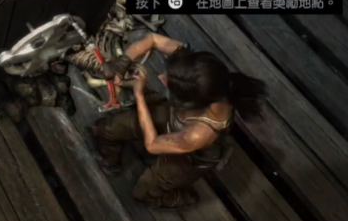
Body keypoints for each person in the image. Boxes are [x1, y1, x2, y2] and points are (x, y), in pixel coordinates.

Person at [90, 32, 266, 210]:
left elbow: (153, 145)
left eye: (169, 82)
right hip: (175, 117)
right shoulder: (198, 72)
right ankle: (110, 158)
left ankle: (181, 197)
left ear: (194, 103)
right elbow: (153, 39)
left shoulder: (201, 132)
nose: (162, 77)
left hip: (191, 155)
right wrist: (122, 63)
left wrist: (139, 95)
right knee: (107, 128)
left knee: (144, 192)